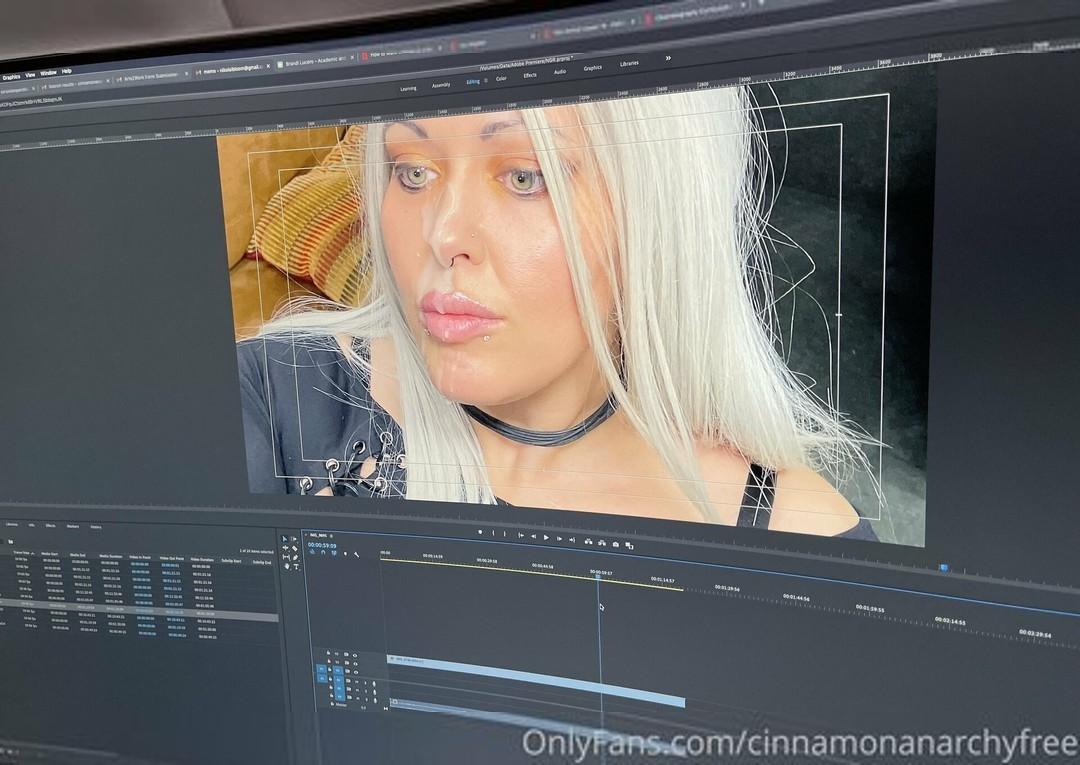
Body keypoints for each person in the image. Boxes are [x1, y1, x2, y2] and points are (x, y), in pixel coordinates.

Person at [237, 86, 879, 540]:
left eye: (525, 176)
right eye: (412, 172)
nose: (442, 234)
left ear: (660, 210)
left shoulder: (795, 534)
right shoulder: (268, 399)